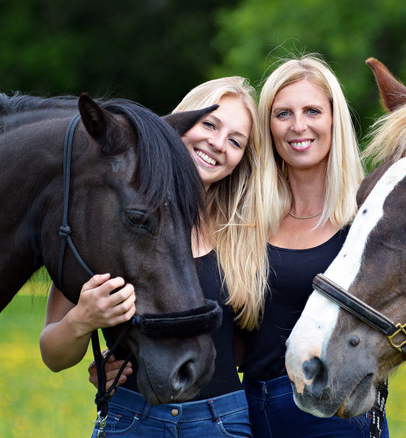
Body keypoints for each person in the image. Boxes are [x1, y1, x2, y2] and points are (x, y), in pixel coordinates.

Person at [42, 76, 268, 437]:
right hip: (132, 418)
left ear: (242, 159)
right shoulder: (113, 223)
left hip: (221, 423)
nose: (218, 143)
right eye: (209, 123)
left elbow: (243, 349)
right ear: (179, 123)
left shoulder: (245, 236)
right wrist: (83, 320)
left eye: (236, 140)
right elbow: (53, 355)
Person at [237, 54, 390, 438]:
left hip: (333, 414)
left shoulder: (367, 220)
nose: (298, 126)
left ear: (334, 120)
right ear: (267, 126)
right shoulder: (247, 220)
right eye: (283, 113)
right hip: (247, 413)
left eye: (312, 111)